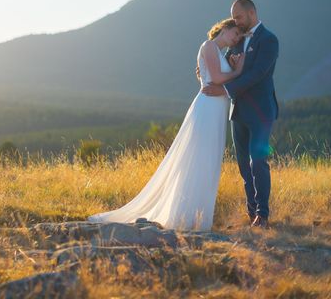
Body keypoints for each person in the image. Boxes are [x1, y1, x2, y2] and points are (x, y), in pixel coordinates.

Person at [87, 18, 244, 231]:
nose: (236, 39)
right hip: (207, 109)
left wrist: (232, 68)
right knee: (198, 159)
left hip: (216, 111)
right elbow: (216, 78)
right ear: (224, 29)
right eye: (235, 34)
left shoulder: (218, 51)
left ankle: (196, 216)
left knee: (208, 162)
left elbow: (217, 75)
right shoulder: (208, 46)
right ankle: (186, 217)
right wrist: (237, 71)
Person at [202, 0, 279, 228]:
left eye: (238, 16)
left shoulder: (269, 40)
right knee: (244, 165)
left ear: (252, 13)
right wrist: (204, 69)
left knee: (258, 162)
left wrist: (224, 89)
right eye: (234, 17)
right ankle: (251, 212)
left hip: (262, 111)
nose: (235, 21)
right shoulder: (236, 40)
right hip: (238, 111)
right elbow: (223, 66)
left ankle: (262, 215)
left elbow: (257, 74)